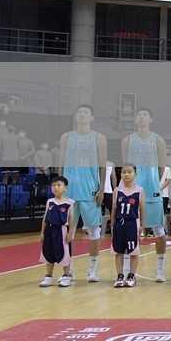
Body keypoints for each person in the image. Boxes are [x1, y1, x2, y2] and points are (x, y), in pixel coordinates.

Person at [59, 104, 108, 282]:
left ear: (92, 117)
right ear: (75, 116)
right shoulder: (66, 137)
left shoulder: (99, 138)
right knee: (67, 231)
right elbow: (61, 163)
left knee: (94, 231)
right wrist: (60, 187)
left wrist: (101, 189)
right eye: (79, 112)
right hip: (69, 192)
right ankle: (68, 268)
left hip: (90, 192)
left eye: (86, 112)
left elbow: (103, 166)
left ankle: (92, 270)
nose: (82, 114)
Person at [122, 107, 169, 281]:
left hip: (152, 191)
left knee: (159, 231)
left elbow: (161, 167)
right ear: (135, 119)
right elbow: (126, 165)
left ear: (150, 119)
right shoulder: (127, 140)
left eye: (145, 115)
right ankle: (126, 270)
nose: (141, 117)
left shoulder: (158, 140)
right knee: (130, 232)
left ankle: (160, 269)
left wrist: (153, 182)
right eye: (138, 115)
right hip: (131, 191)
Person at [111, 165, 145, 288]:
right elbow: (114, 208)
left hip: (132, 223)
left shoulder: (139, 191)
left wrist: (142, 224)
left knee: (133, 251)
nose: (126, 174)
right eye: (124, 172)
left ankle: (131, 275)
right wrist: (112, 223)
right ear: (120, 174)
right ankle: (120, 275)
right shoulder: (117, 191)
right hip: (119, 223)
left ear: (135, 174)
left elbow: (142, 208)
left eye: (130, 172)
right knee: (118, 251)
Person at [38, 175, 75, 287]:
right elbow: (45, 218)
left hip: (62, 230)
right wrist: (42, 232)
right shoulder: (50, 202)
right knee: (48, 253)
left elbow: (71, 219)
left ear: (65, 188)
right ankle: (48, 277)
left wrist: (70, 233)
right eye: (53, 185)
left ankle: (66, 276)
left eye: (59, 185)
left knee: (64, 254)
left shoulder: (69, 203)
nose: (55, 187)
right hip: (49, 229)